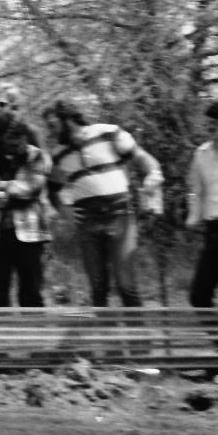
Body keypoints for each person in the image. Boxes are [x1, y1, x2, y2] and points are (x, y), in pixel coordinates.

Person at [43, 98, 163, 307]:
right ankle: (105, 328)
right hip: (87, 221)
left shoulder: (108, 133)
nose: (50, 132)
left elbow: (143, 158)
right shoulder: (59, 154)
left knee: (126, 284)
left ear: (67, 119)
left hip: (120, 215)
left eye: (52, 125)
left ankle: (138, 329)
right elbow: (52, 190)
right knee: (98, 287)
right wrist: (65, 210)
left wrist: (153, 175)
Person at [0, 115, 52, 308]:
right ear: (0, 137)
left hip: (30, 234)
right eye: (11, 136)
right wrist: (12, 191)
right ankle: (2, 327)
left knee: (32, 292)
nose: (17, 141)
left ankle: (33, 326)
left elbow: (31, 189)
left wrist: (0, 185)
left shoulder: (35, 156)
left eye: (20, 136)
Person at [186, 99, 218, 309]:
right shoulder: (201, 154)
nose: (210, 127)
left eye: (216, 123)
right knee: (199, 296)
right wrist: (193, 218)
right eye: (209, 123)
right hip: (215, 232)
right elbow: (196, 190)